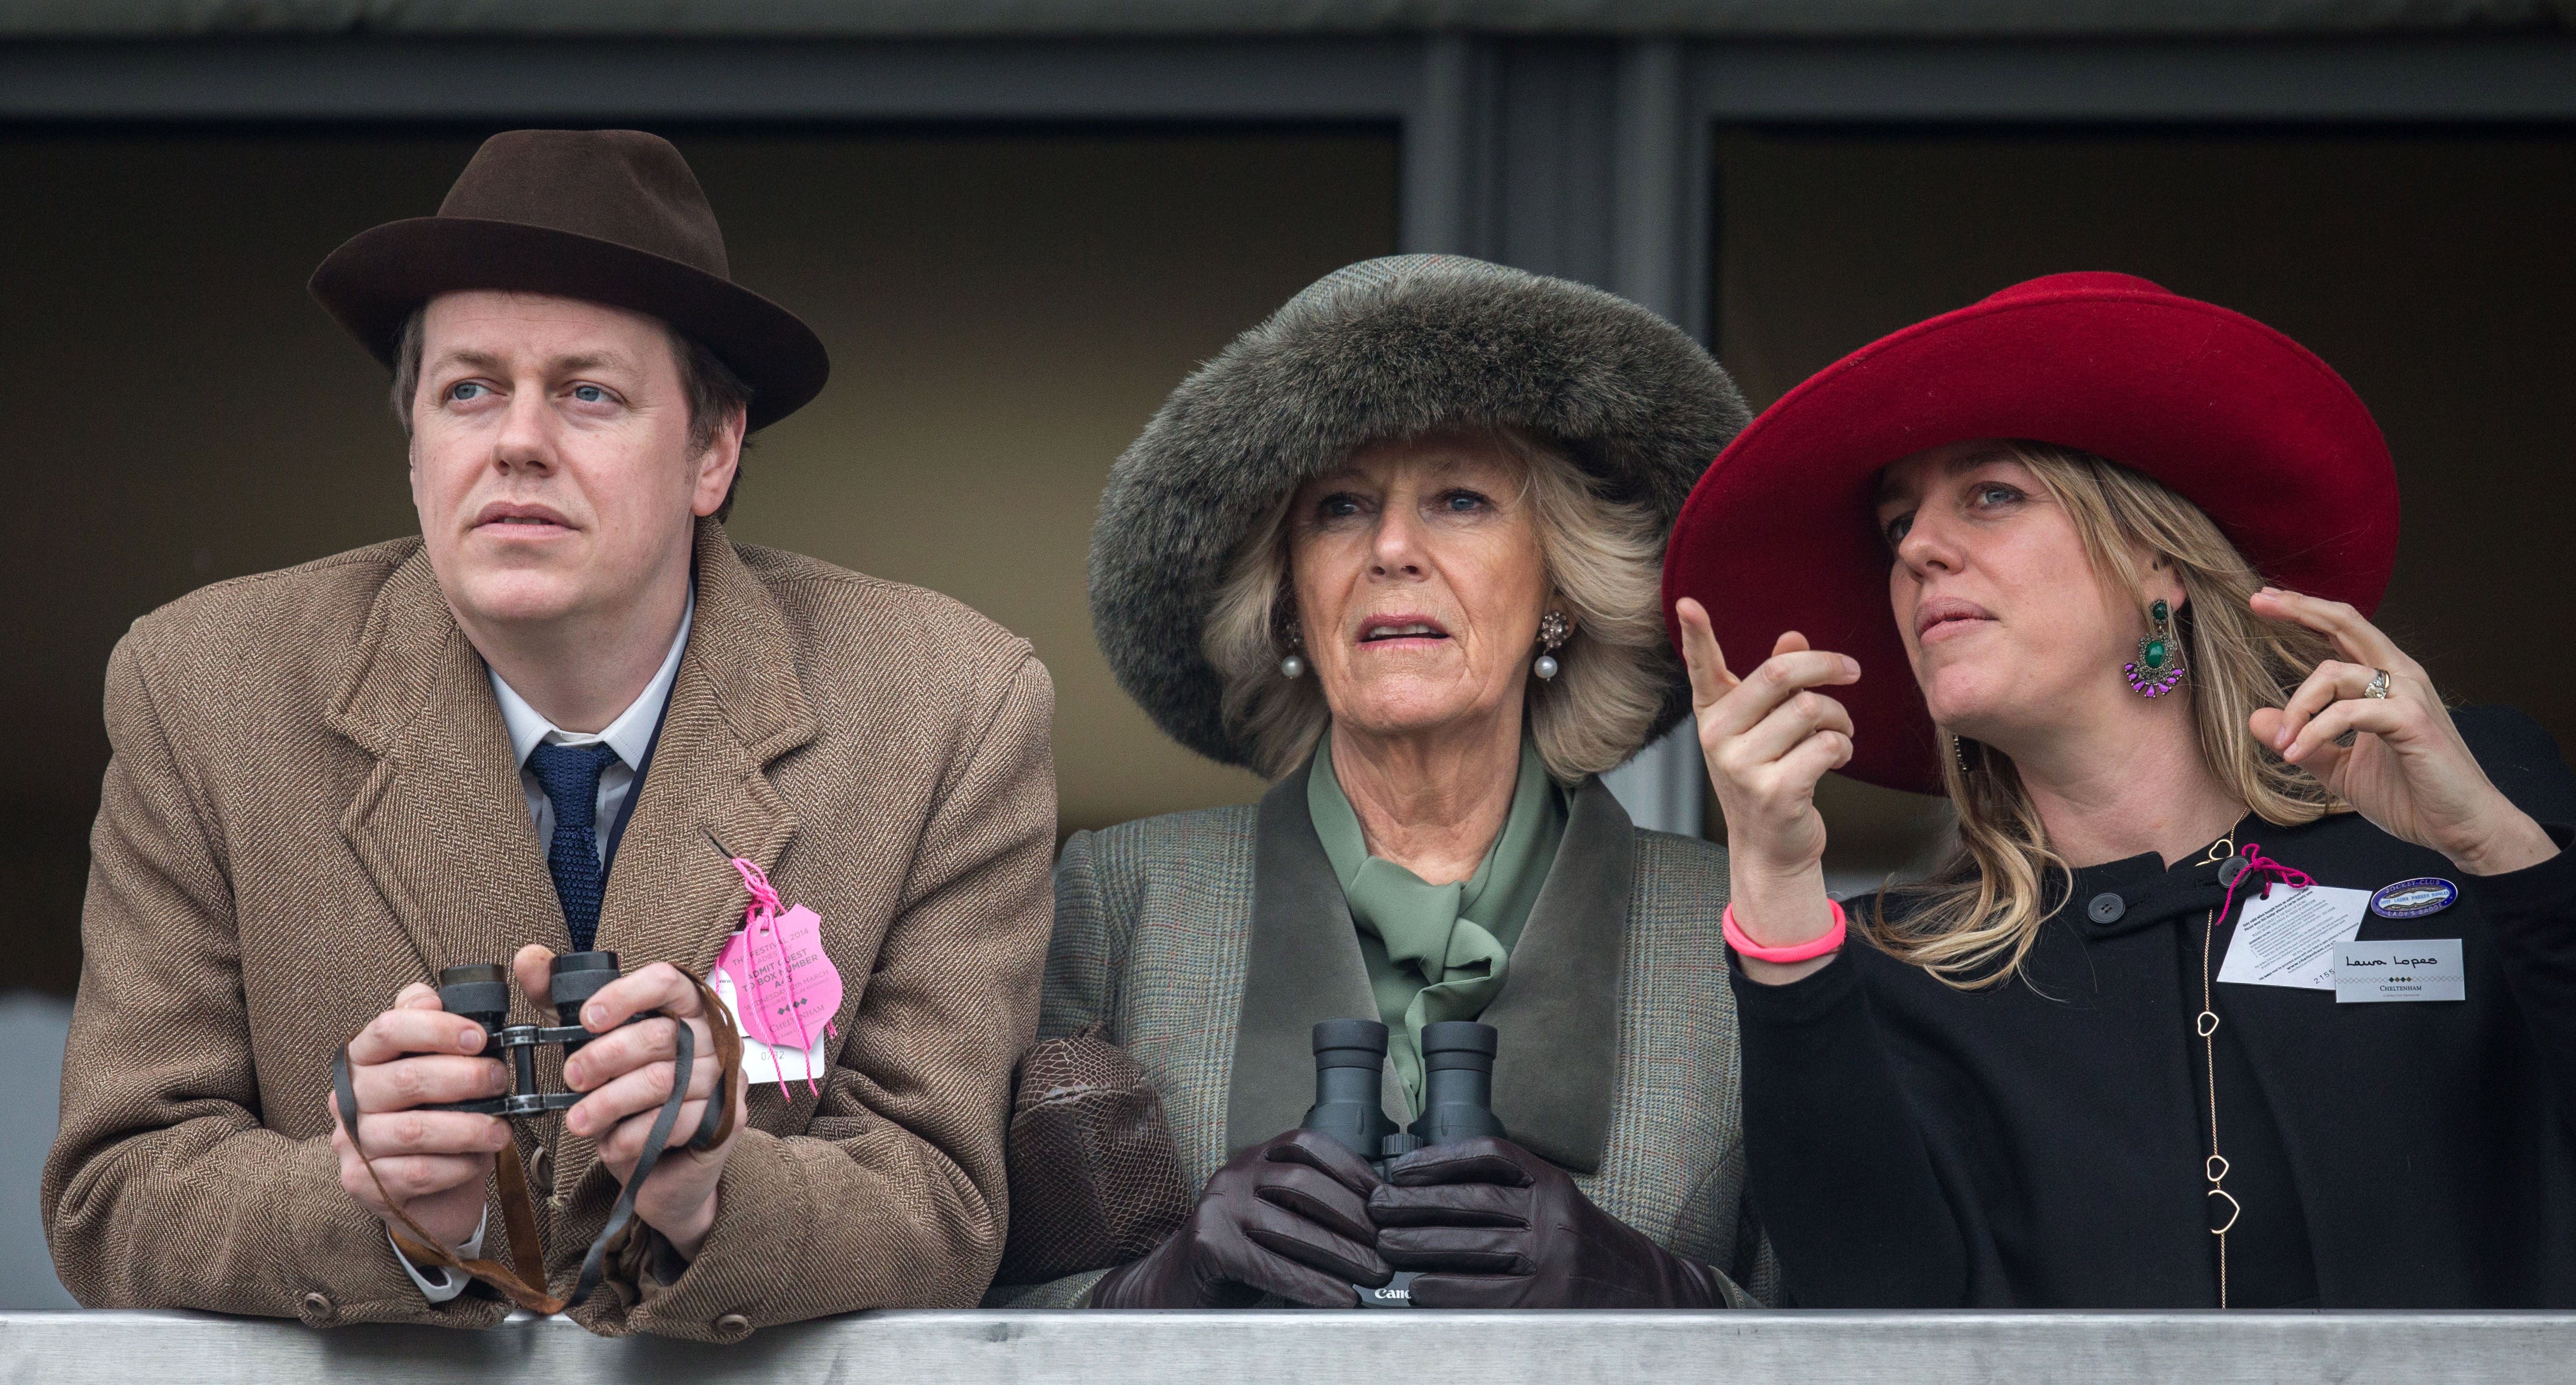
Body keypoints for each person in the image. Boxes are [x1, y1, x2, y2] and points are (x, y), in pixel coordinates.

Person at [42, 129, 1056, 1338]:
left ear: (713, 450)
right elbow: (113, 1190)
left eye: (588, 392)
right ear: (414, 442)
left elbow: (940, 1202)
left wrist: (711, 1188)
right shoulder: (202, 688)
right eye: (468, 388)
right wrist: (375, 1204)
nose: (517, 439)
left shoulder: (944, 705)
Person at [1662, 271, 2576, 1308]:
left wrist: (2502, 856)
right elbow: (1872, 1321)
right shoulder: (1900, 965)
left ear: (2157, 560)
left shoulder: (2461, 808)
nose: (1917, 548)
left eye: (1991, 495)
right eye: (1895, 528)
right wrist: (1778, 896)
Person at [992, 254, 1774, 1309]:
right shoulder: (1118, 896)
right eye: (1341, 508)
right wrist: (1155, 1291)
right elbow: (974, 1305)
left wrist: (1652, 1292)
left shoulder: (1733, 924)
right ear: (1286, 600)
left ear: (1564, 590)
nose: (1393, 548)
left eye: (1459, 499)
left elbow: (1868, 1327)